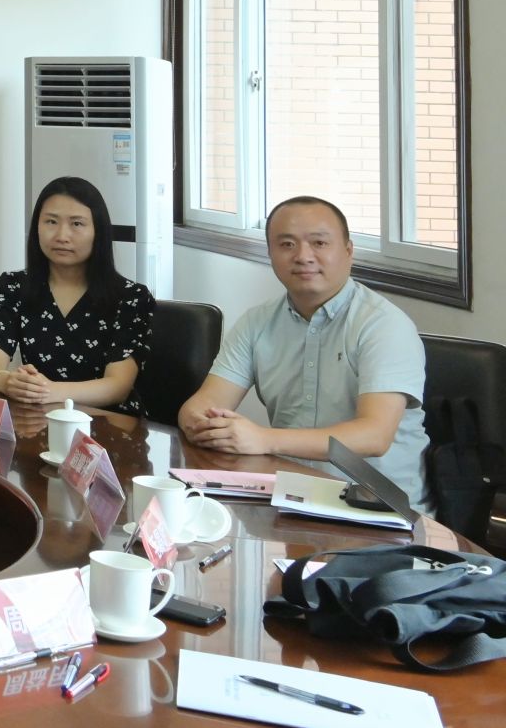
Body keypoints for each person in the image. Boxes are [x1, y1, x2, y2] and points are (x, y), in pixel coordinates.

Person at [178, 196, 432, 506]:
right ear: (270, 253)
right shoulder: (257, 322)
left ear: (349, 251)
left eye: (319, 243)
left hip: (378, 509)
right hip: (291, 498)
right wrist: (201, 421)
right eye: (287, 245)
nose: (303, 256)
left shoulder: (383, 325)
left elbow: (374, 436)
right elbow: (203, 404)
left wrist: (263, 439)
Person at [0, 176, 153, 414]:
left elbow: (117, 386)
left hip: (109, 423)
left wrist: (48, 391)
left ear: (98, 231)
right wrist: (5, 381)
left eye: (77, 224)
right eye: (51, 221)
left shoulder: (131, 297)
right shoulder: (14, 286)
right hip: (38, 418)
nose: (62, 235)